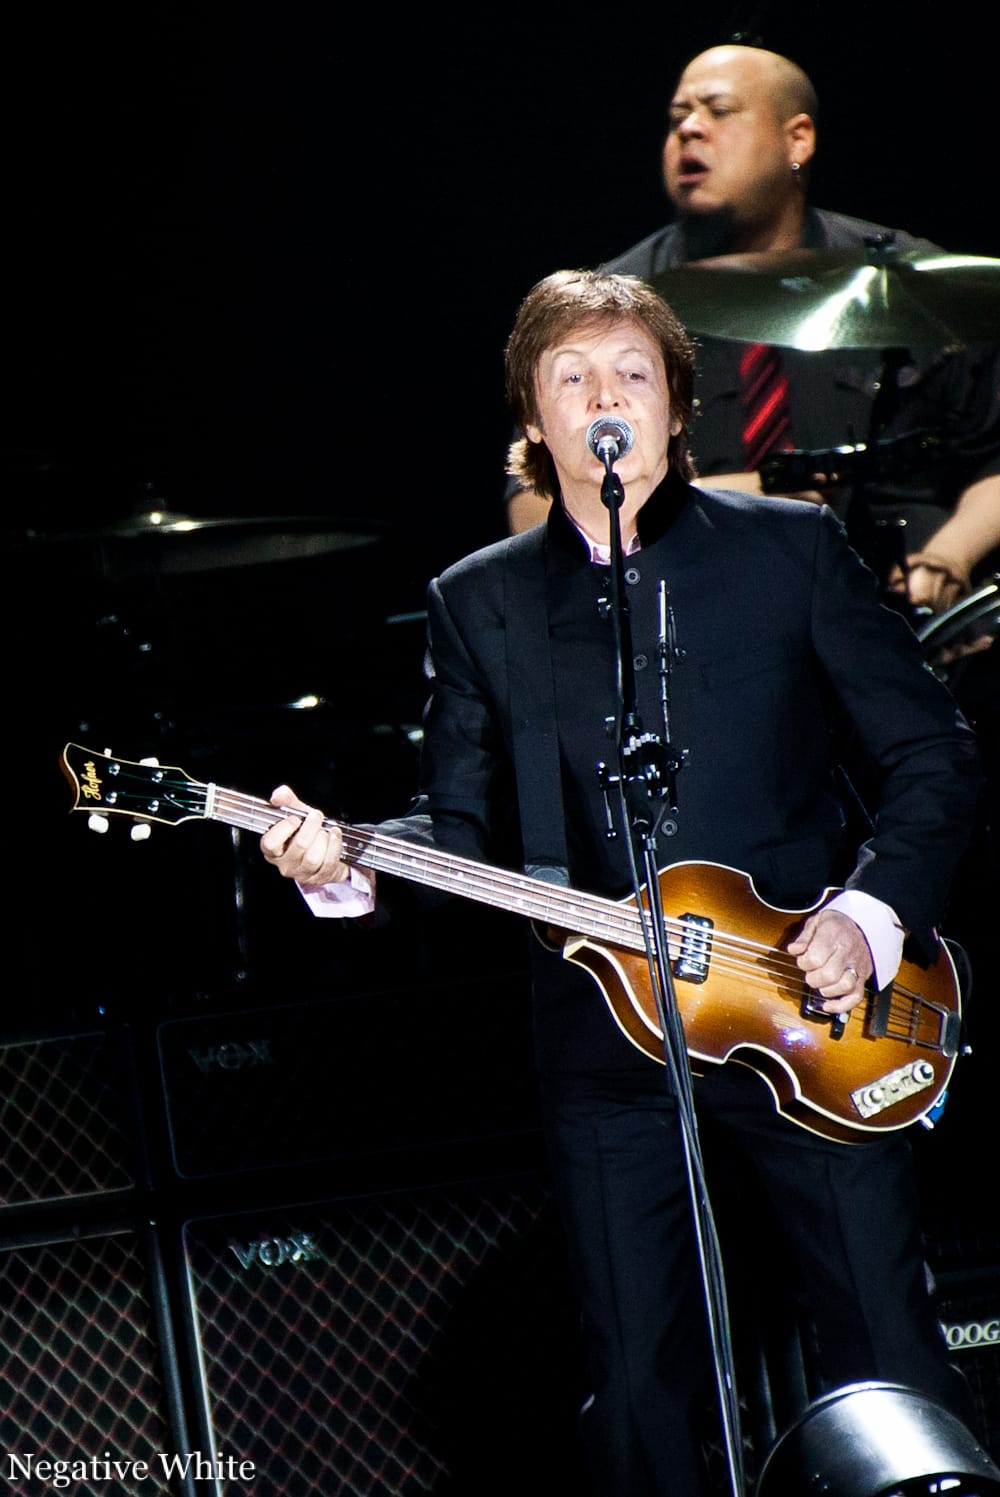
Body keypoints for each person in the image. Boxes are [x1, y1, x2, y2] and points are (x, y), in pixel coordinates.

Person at [258, 269, 986, 1495]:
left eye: (632, 375)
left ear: (676, 409)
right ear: (532, 422)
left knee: (886, 1344)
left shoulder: (789, 552)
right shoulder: (479, 602)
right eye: (573, 379)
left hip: (814, 1012)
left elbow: (933, 756)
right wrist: (347, 864)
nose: (605, 400)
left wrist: (866, 916)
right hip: (609, 1050)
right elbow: (460, 826)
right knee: (636, 1383)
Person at [504, 45, 1000, 624]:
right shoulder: (609, 309)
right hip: (687, 621)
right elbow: (532, 510)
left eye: (719, 111)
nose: (690, 129)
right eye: (678, 117)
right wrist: (737, 497)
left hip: (890, 615)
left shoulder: (908, 286)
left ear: (798, 140)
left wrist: (949, 556)